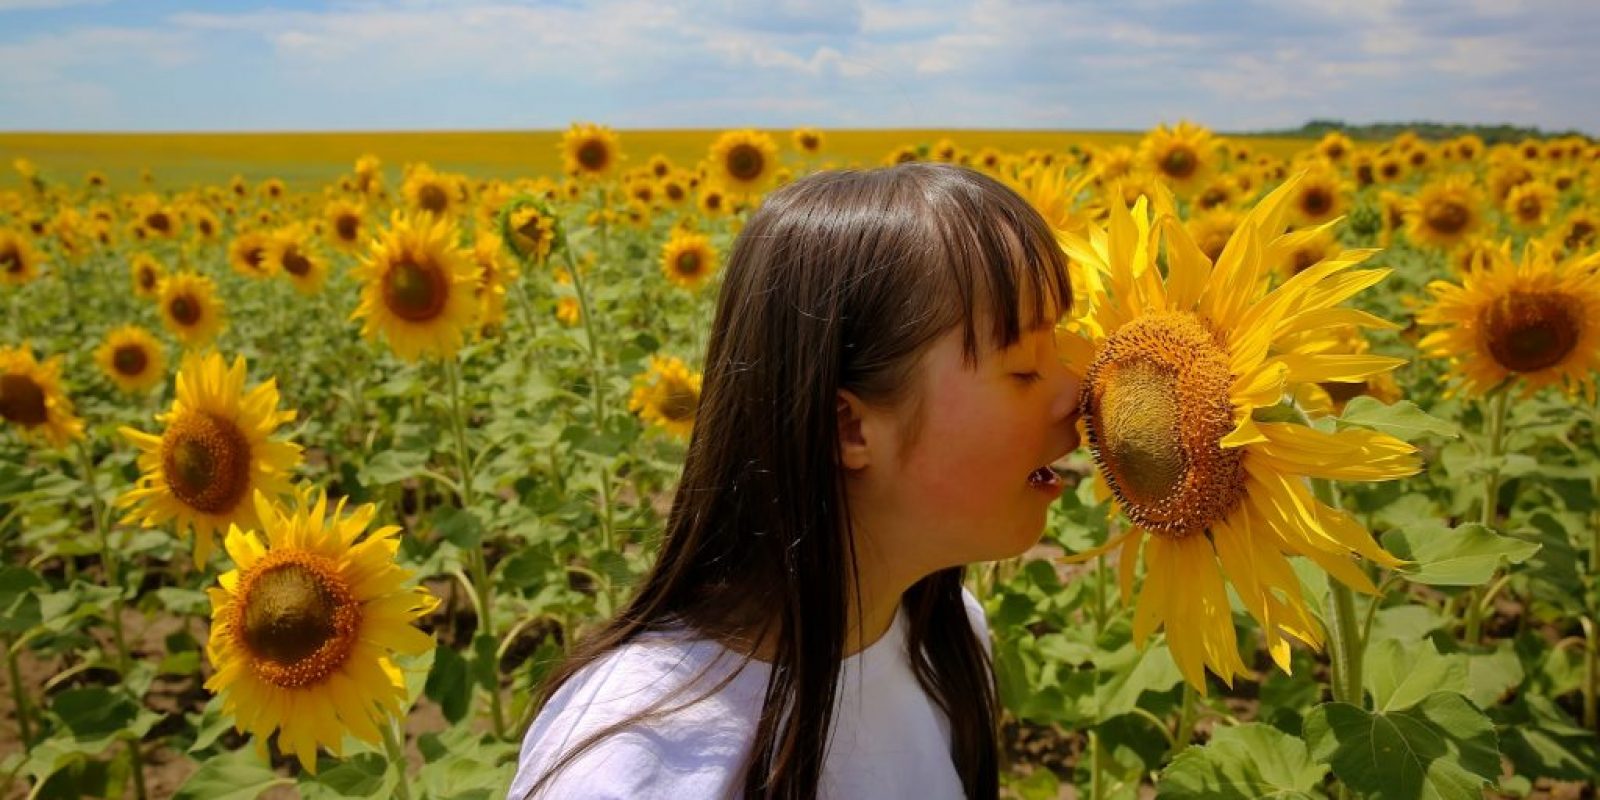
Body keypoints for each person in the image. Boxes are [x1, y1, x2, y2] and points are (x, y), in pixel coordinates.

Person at [509, 162, 1083, 800]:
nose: (1078, 393)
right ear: (849, 427)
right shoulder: (639, 763)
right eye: (1027, 368)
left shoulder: (946, 640)